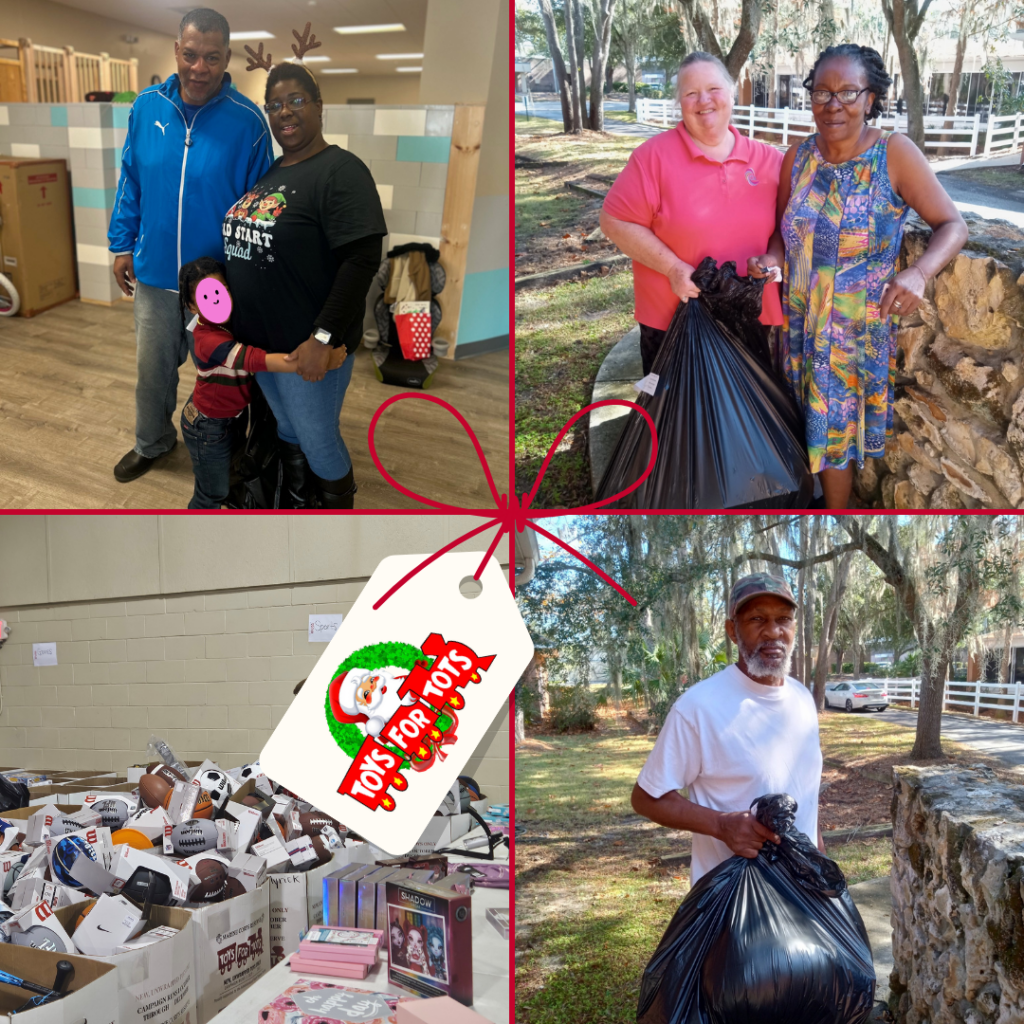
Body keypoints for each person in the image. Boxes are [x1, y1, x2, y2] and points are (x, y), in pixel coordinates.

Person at [750, 44, 967, 509]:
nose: (834, 104)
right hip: (798, 325)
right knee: (796, 424)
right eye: (823, 92)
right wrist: (772, 260)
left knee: (833, 444)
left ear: (871, 98)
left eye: (848, 92)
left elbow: (954, 225)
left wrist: (919, 272)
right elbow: (780, 233)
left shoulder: (894, 154)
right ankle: (803, 504)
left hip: (852, 334)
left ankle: (834, 516)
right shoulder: (798, 158)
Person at [108, 7, 273, 484]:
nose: (199, 68)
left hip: (217, 283)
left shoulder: (248, 122)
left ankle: (225, 449)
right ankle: (152, 442)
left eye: (213, 58)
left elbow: (257, 209)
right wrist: (121, 246)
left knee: (223, 373)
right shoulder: (146, 108)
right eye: (191, 54)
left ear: (227, 61)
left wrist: (249, 278)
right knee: (152, 375)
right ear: (176, 51)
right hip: (156, 274)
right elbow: (131, 181)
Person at [222, 62, 386, 508]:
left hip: (305, 348)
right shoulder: (273, 172)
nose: (285, 113)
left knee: (318, 442)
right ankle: (299, 503)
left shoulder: (341, 171)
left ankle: (337, 516)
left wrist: (322, 337)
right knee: (288, 429)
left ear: (319, 106)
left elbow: (362, 261)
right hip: (264, 349)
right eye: (274, 105)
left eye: (296, 101)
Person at [631, 573, 824, 885]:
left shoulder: (802, 698)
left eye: (783, 619)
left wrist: (820, 859)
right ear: (732, 630)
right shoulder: (698, 707)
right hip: (735, 906)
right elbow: (646, 798)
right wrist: (721, 825)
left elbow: (807, 800)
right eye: (757, 619)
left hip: (804, 896)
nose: (773, 631)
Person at [600, 52, 784, 376]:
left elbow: (785, 227)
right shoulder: (652, 158)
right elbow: (614, 220)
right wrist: (672, 268)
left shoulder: (770, 161)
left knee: (745, 419)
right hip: (673, 321)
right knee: (677, 420)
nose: (704, 101)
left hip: (749, 317)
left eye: (713, 89)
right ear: (679, 103)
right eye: (691, 93)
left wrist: (773, 258)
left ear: (731, 92)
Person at [176, 257, 348, 509]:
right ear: (192, 306)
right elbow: (259, 361)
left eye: (222, 291)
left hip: (228, 419)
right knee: (210, 494)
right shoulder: (209, 342)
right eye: (205, 298)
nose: (216, 300)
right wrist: (319, 360)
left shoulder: (226, 323)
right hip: (207, 427)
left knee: (229, 476)